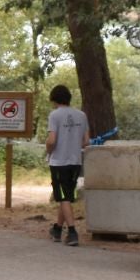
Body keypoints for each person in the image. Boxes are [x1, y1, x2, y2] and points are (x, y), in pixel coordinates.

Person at [45, 85, 89, 246]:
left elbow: (51, 140)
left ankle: (72, 232)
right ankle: (57, 228)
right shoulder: (82, 115)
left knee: (63, 197)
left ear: (54, 99)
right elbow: (86, 141)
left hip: (59, 162)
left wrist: (48, 150)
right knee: (67, 197)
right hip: (76, 161)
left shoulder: (55, 115)